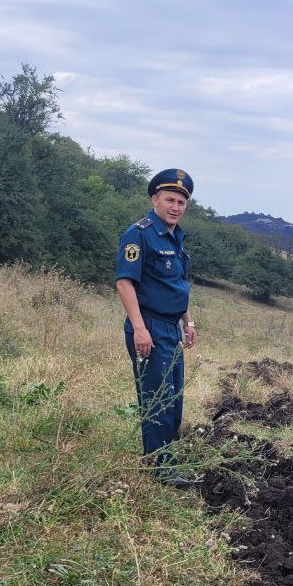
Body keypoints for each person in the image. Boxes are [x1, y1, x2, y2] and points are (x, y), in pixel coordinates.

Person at [115, 168, 199, 486]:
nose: (175, 206)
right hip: (148, 326)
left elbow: (177, 284)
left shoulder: (176, 236)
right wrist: (139, 328)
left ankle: (166, 462)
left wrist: (187, 320)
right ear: (155, 200)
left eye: (181, 201)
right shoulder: (139, 234)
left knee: (173, 400)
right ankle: (158, 471)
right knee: (156, 399)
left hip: (171, 327)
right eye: (169, 199)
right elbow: (125, 282)